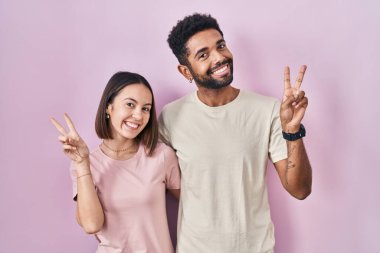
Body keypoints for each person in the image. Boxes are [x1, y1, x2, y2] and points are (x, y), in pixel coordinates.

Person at [158, 13, 312, 253]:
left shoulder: (267, 110)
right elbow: (165, 182)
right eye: (203, 54)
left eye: (220, 45)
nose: (220, 57)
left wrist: (292, 131)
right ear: (185, 71)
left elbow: (300, 190)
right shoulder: (171, 117)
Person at [51, 71, 180, 253]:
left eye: (146, 109)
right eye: (130, 104)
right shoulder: (87, 163)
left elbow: (192, 203)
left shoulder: (161, 156)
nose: (138, 115)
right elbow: (91, 225)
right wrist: (82, 164)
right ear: (108, 107)